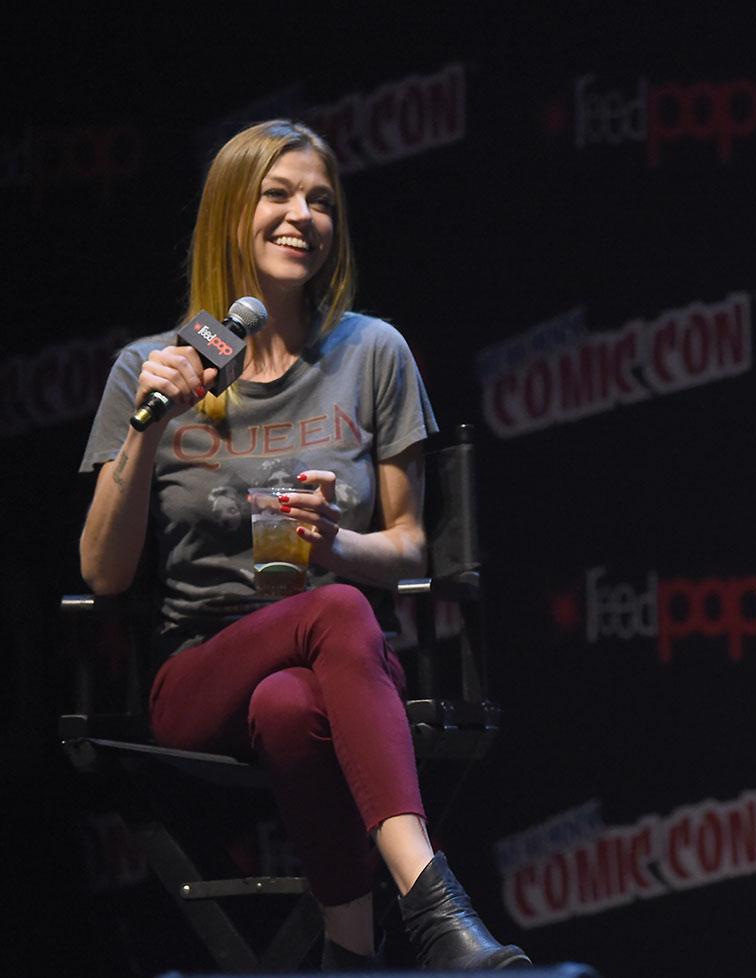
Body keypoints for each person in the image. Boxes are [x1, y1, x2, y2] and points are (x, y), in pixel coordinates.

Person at [78, 119, 529, 971]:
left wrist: (336, 545)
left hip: (344, 661)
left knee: (295, 699)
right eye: (278, 194)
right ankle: (436, 907)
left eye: (320, 200)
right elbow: (103, 571)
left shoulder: (374, 353)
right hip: (199, 669)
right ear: (229, 214)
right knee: (333, 613)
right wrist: (147, 431)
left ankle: (349, 959)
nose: (302, 216)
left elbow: (409, 547)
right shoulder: (155, 366)